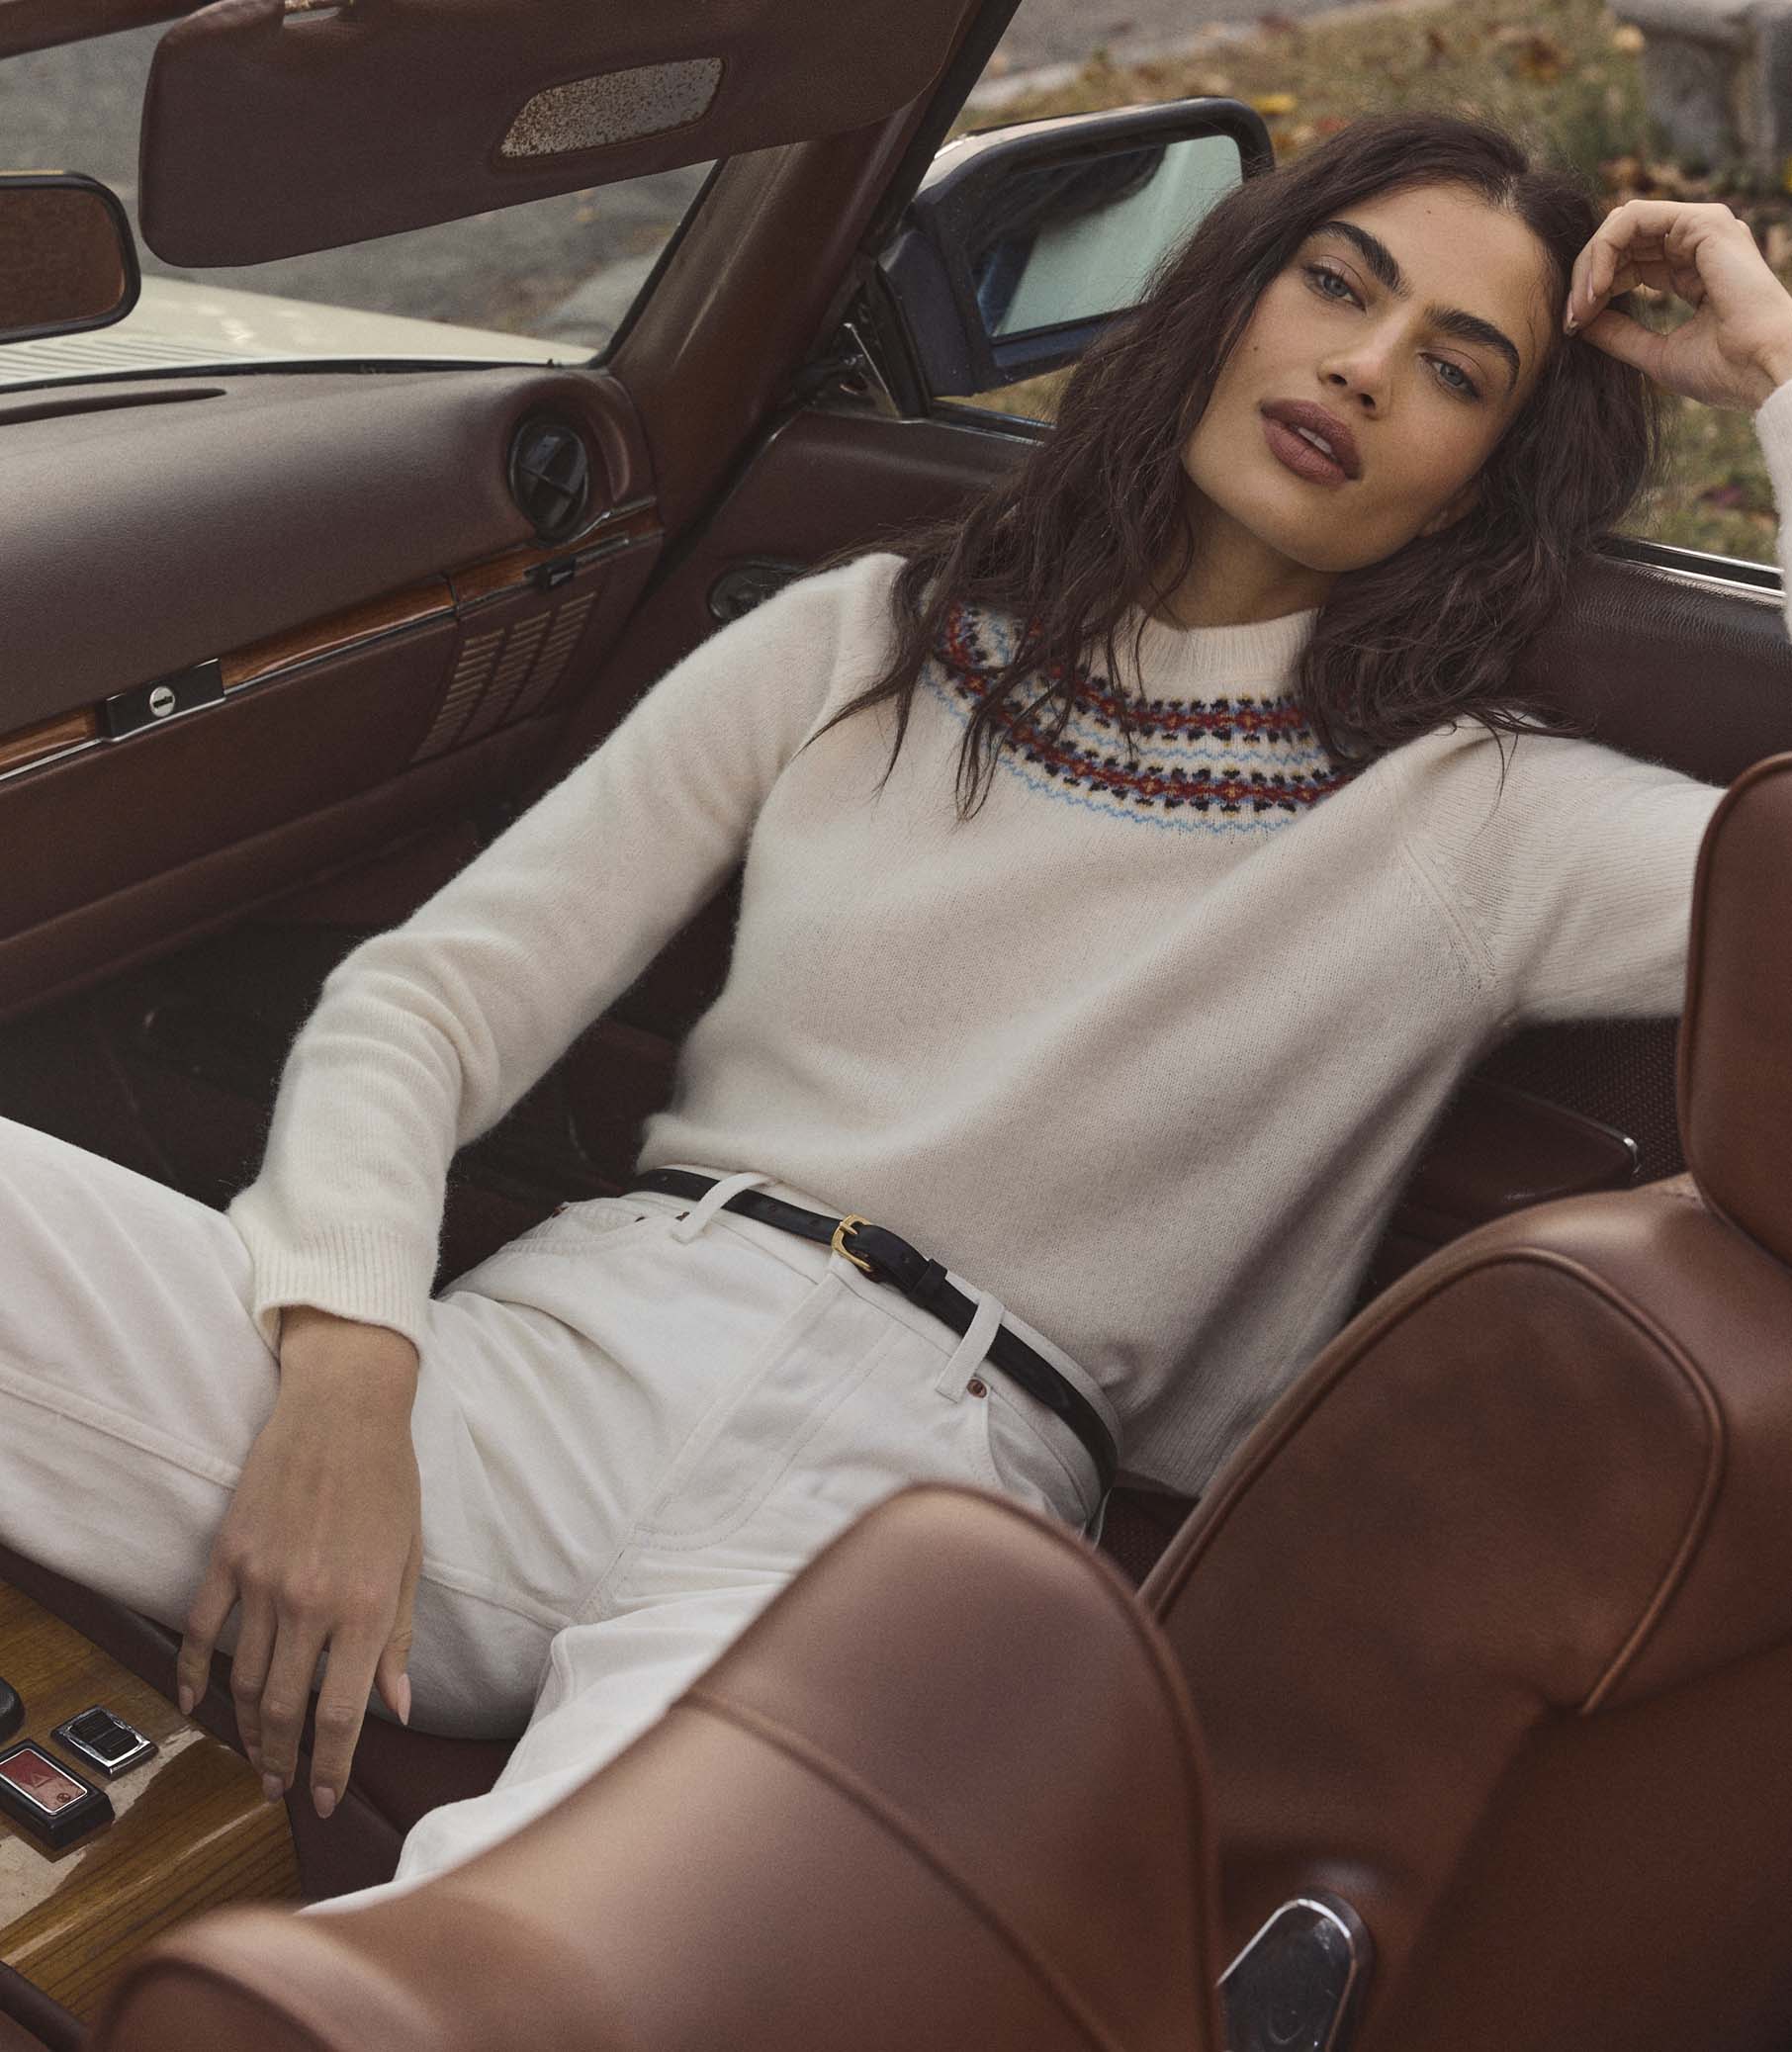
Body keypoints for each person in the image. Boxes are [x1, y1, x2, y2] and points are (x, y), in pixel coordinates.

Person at [5, 110, 1792, 1913]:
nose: (1363, 364)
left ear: (1487, 472)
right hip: (558, 1351)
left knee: (510, 1980)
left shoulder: (1483, 820)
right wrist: (347, 1361)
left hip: (925, 1510)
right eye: (1338, 282)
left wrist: (1777, 360)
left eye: (1457, 370)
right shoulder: (867, 636)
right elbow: (427, 1002)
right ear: (1234, 296)